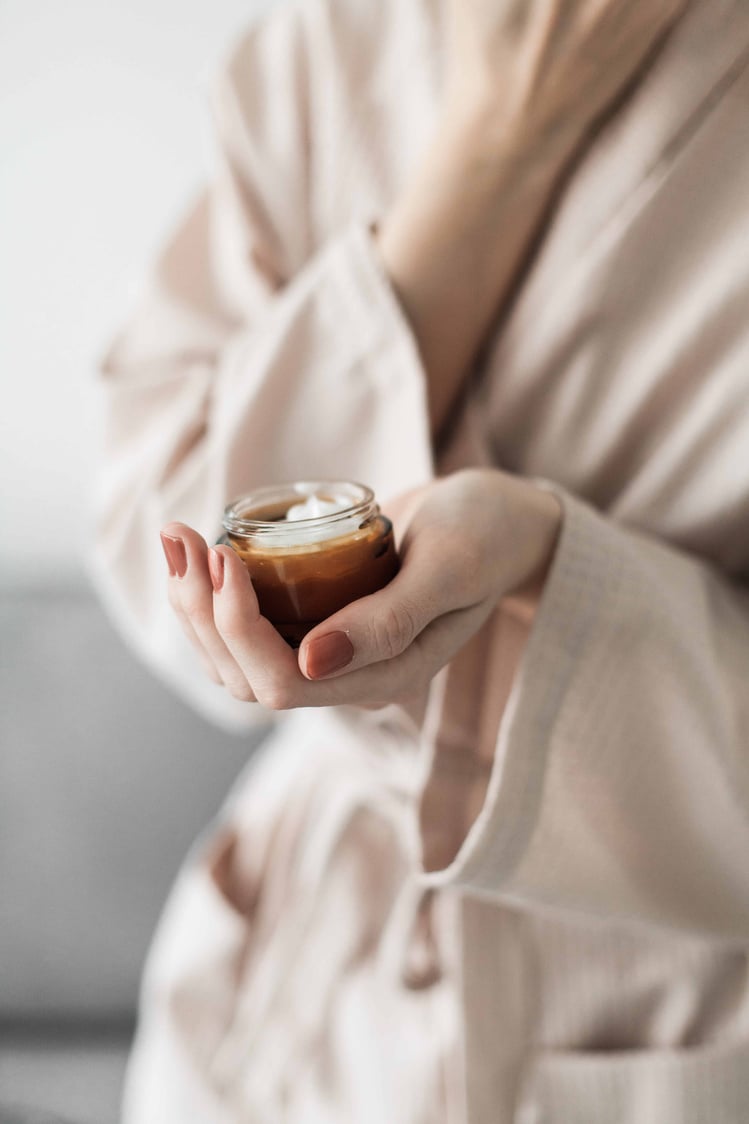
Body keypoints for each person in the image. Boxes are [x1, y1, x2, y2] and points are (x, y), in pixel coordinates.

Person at [93, 0, 749, 1119]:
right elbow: (159, 547)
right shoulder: (325, 44)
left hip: (662, 1022)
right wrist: (494, 138)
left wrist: (544, 563)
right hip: (290, 1017)